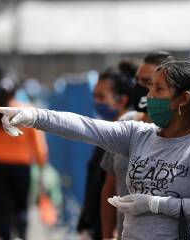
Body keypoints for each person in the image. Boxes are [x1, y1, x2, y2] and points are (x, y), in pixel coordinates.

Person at [0, 61, 190, 239]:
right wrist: (33, 116)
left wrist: (154, 204)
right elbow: (85, 127)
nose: (148, 96)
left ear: (183, 99)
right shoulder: (138, 134)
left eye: (158, 89)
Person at [100, 52, 176, 239]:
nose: (140, 89)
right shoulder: (126, 125)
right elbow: (109, 186)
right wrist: (107, 234)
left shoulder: (183, 132)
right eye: (137, 81)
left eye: (148, 82)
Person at [0, 78, 48, 240]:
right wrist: (41, 163)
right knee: (21, 206)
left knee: (0, 208)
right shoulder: (26, 112)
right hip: (21, 169)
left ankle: (5, 235)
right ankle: (22, 233)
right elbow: (38, 144)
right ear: (15, 92)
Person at [77, 60, 137, 240]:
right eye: (94, 96)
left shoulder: (129, 138)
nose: (96, 102)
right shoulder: (105, 135)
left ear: (122, 100)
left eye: (101, 97)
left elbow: (111, 189)